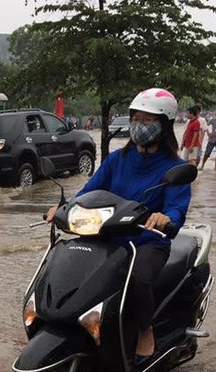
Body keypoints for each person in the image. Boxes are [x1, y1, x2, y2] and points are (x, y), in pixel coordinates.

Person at [46, 88, 190, 366]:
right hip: (109, 237)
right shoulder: (117, 159)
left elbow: (177, 207)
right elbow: (89, 191)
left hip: (147, 242)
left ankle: (145, 331)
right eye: (135, 118)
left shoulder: (174, 167)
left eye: (148, 121)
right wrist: (63, 208)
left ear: (165, 125)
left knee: (138, 280)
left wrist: (165, 218)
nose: (139, 126)